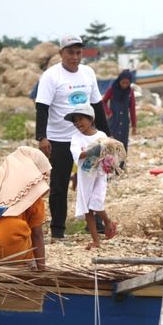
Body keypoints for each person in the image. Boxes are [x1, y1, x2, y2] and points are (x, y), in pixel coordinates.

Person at [35, 35, 109, 239]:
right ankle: (58, 231)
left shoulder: (88, 73)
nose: (75, 57)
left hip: (88, 138)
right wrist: (42, 137)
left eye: (78, 52)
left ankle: (97, 224)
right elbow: (42, 107)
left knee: (94, 180)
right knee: (59, 185)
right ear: (61, 53)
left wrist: (108, 137)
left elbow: (97, 106)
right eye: (70, 52)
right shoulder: (51, 76)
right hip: (60, 138)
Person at [66, 105, 118, 250]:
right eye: (75, 121)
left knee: (96, 201)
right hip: (85, 177)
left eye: (81, 119)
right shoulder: (76, 138)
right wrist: (94, 150)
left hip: (100, 174)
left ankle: (107, 222)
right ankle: (96, 240)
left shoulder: (101, 135)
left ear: (91, 119)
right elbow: (79, 154)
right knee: (87, 208)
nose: (78, 123)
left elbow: (109, 152)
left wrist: (109, 160)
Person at [101, 70, 137, 151]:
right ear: (119, 80)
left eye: (127, 83)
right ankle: (111, 163)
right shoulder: (112, 89)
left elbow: (132, 109)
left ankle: (122, 163)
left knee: (123, 145)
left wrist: (134, 125)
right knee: (112, 144)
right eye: (123, 82)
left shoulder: (130, 92)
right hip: (113, 120)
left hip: (124, 122)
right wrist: (108, 112)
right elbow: (103, 101)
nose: (124, 85)